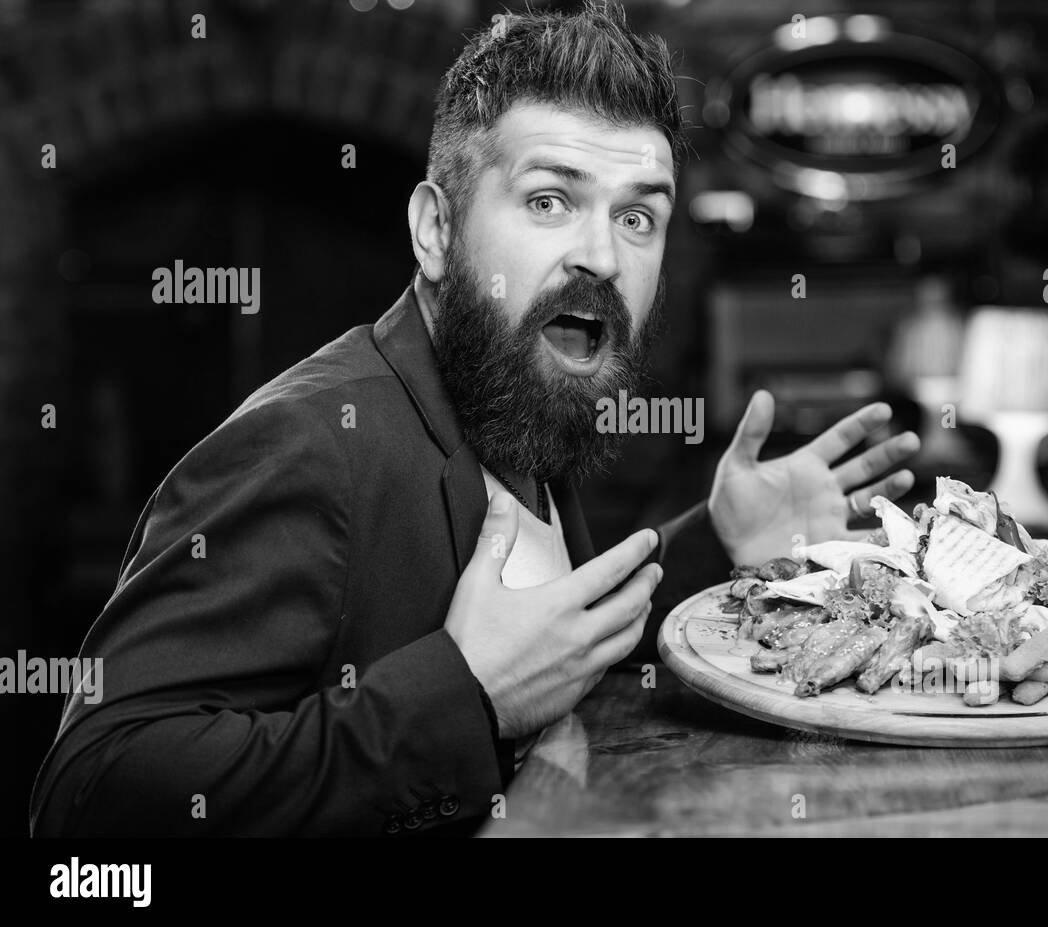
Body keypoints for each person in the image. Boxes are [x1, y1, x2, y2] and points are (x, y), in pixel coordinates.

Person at [29, 0, 918, 836]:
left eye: (638, 216)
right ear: (435, 229)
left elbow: (546, 641)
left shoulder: (509, 386)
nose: (602, 257)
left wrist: (720, 544)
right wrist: (464, 696)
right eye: (548, 201)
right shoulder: (311, 445)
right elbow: (88, 788)